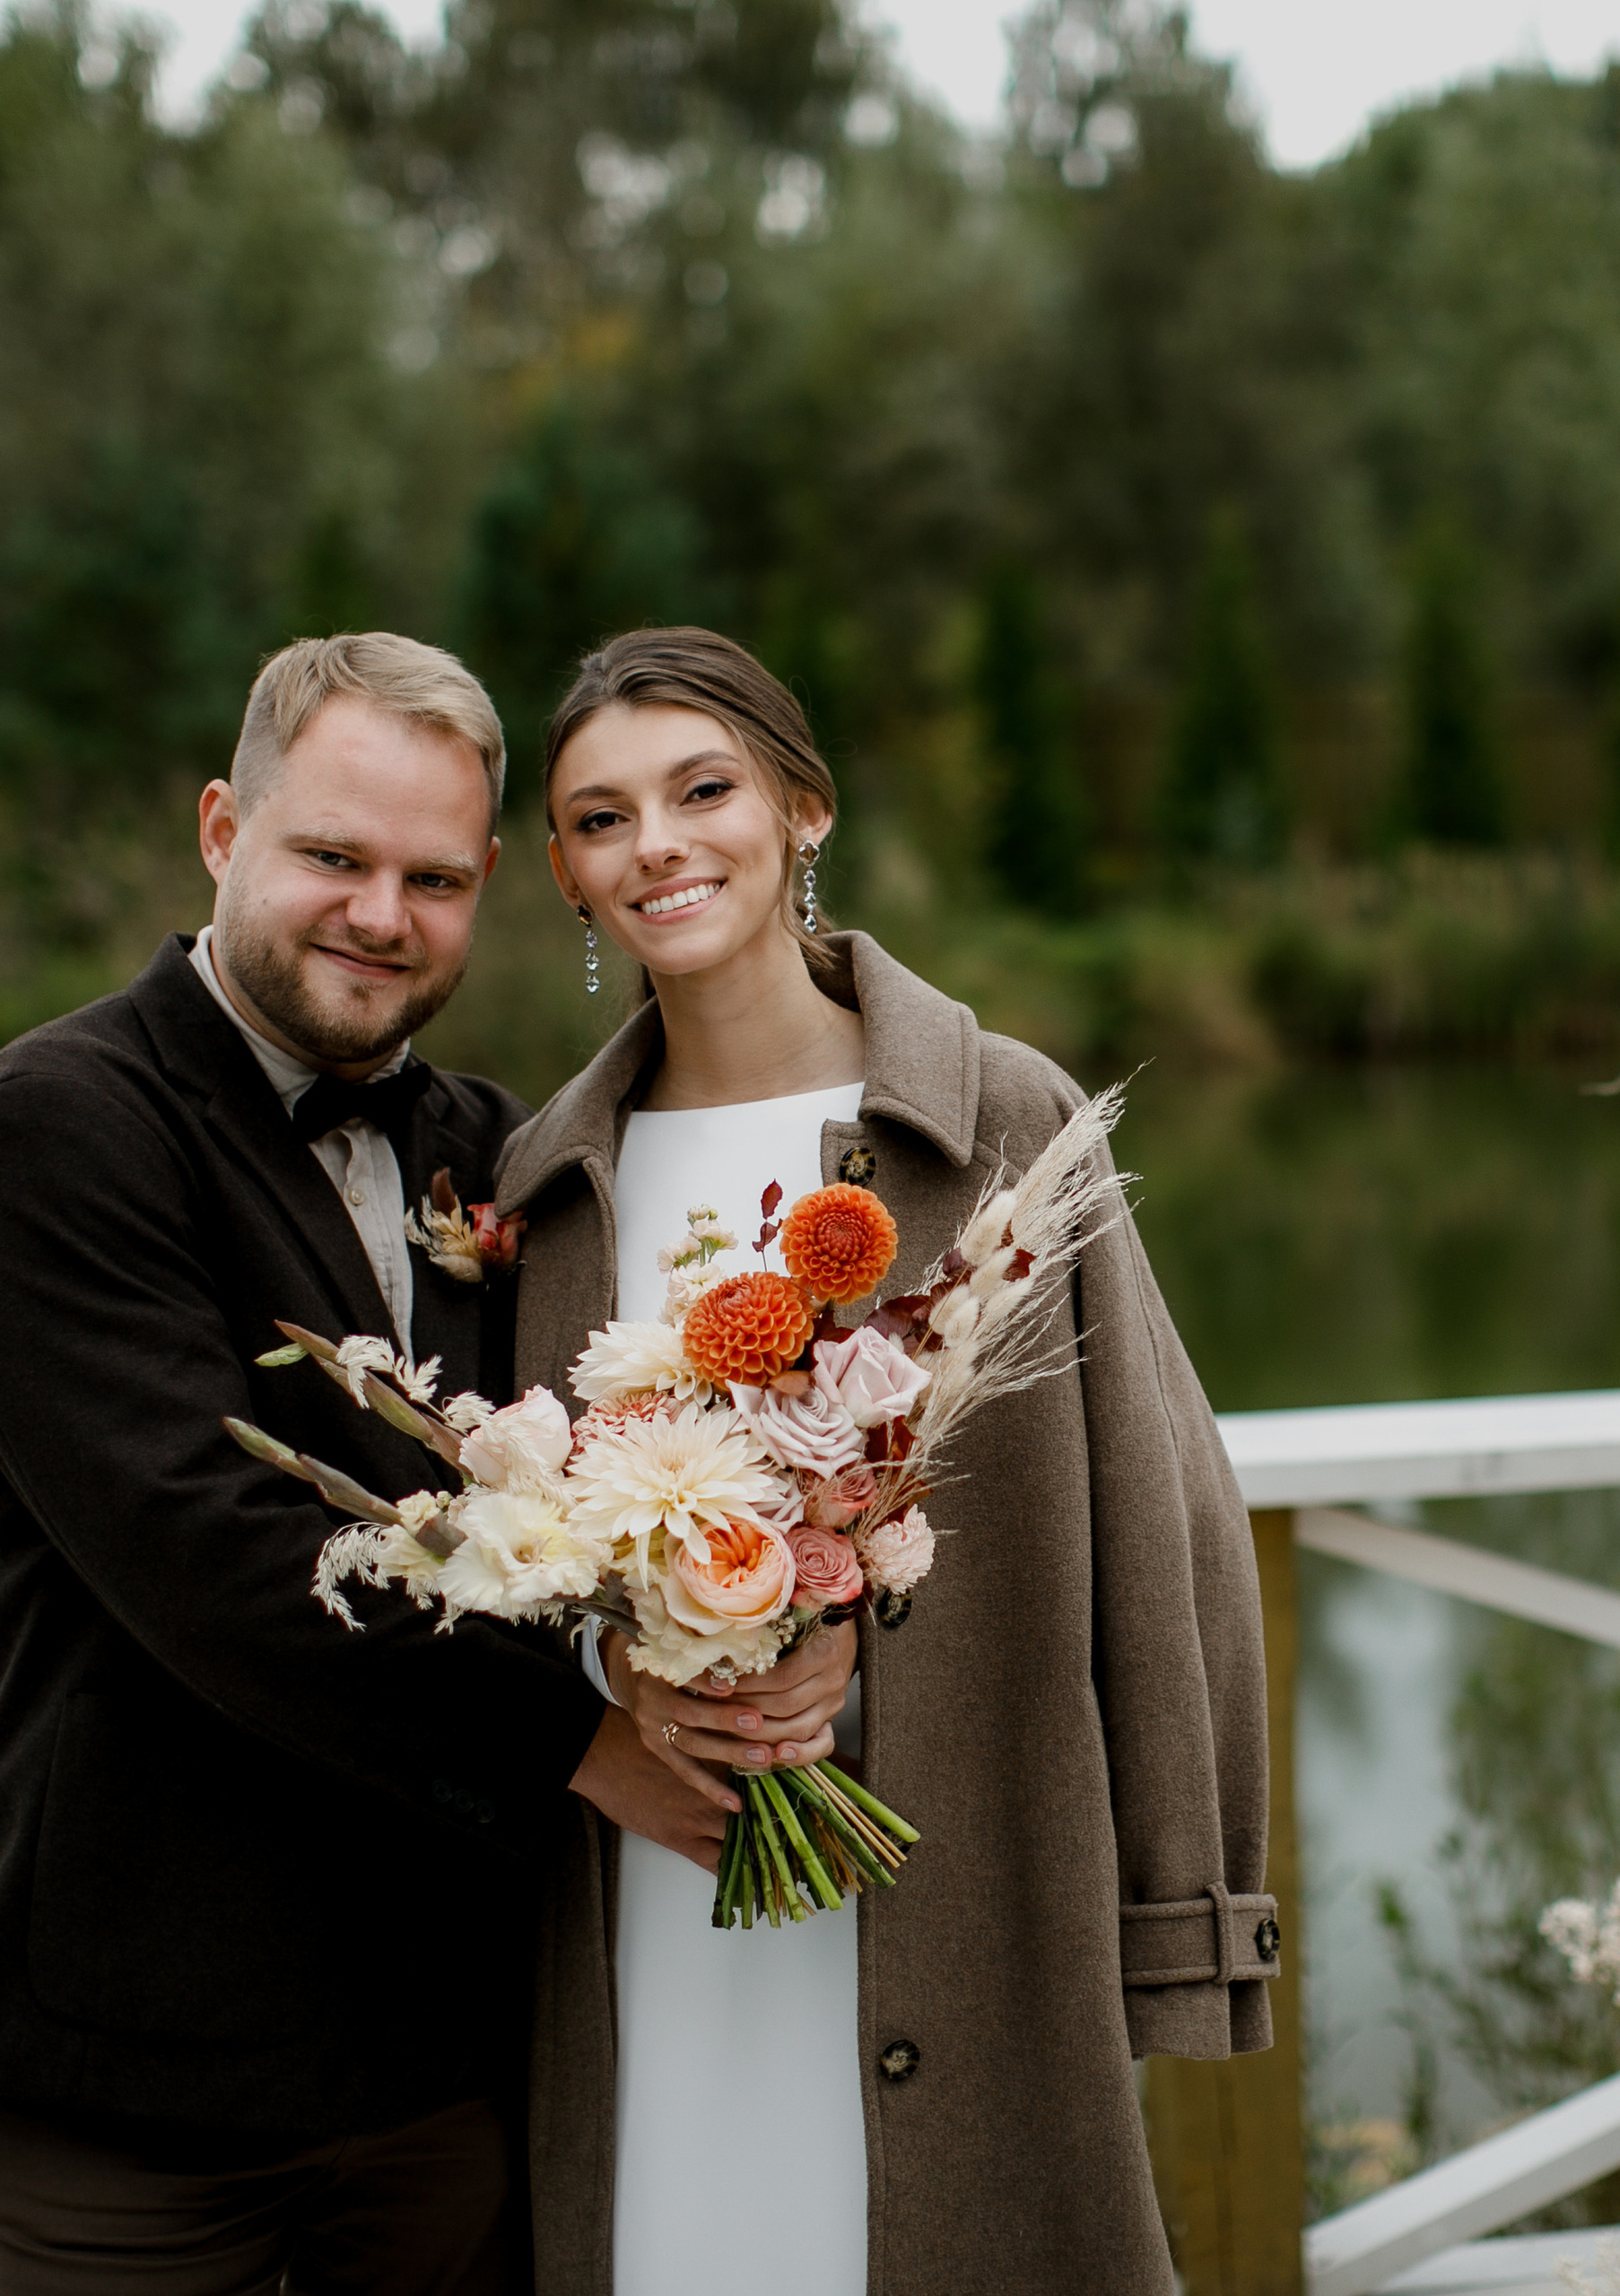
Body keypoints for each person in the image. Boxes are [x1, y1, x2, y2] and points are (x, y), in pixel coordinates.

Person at [495, 625, 1280, 2296]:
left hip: (966, 1890)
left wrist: (1185, 1922)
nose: (660, 847)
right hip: (655, 1900)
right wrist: (637, 1661)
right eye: (602, 818)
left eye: (703, 790)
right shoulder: (546, 1181)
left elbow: (1169, 1525)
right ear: (563, 873)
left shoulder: (1001, 1118)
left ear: (804, 811)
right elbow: (513, 1544)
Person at [0, 635, 747, 2292]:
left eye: (430, 877)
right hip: (143, 2073)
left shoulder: (500, 1150)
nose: (379, 916)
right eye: (331, 858)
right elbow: (214, 1556)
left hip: (446, 2065)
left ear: (486, 882)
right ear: (221, 830)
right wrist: (586, 1739)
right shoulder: (55, 1122)